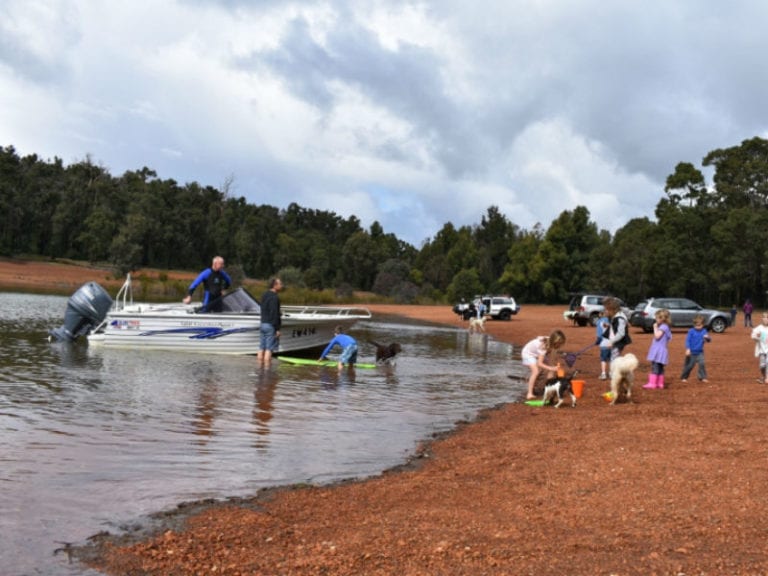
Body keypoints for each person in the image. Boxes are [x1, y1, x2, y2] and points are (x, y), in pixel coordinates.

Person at [521, 329, 566, 400]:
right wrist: (551, 368)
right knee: (535, 371)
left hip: (536, 354)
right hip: (528, 354)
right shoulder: (544, 346)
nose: (560, 346)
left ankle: (548, 388)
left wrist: (552, 369)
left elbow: (550, 360)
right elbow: (540, 363)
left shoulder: (550, 342)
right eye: (559, 344)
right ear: (555, 341)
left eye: (561, 344)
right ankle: (529, 393)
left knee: (551, 367)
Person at [643, 308, 672, 390]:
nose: (655, 320)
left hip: (658, 351)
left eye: (656, 318)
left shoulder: (663, 327)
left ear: (661, 319)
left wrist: (655, 328)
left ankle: (652, 383)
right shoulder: (666, 327)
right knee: (660, 368)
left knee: (655, 367)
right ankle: (660, 383)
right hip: (661, 350)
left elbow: (657, 336)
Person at [257, 278, 283, 367]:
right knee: (269, 349)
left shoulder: (264, 295)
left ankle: (259, 368)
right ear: (275, 285)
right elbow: (274, 313)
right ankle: (267, 371)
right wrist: (277, 329)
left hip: (263, 323)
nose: (281, 285)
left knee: (261, 347)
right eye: (280, 284)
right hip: (270, 326)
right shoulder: (275, 297)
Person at [681, 314, 711, 383]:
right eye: (696, 325)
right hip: (691, 352)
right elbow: (687, 340)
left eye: (699, 325)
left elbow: (709, 340)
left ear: (703, 324)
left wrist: (707, 338)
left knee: (702, 364)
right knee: (689, 366)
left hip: (700, 352)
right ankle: (684, 377)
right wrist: (688, 349)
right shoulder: (691, 331)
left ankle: (702, 377)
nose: (697, 327)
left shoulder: (704, 331)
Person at [601, 297, 631, 362]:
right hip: (615, 341)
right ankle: (615, 370)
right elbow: (616, 326)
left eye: (606, 309)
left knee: (614, 359)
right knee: (613, 358)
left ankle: (615, 371)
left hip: (618, 342)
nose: (605, 311)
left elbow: (621, 333)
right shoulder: (615, 317)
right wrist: (609, 325)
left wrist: (612, 342)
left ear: (612, 309)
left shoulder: (619, 318)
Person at [751, 312, 768, 384]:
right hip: (761, 350)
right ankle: (763, 376)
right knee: (762, 366)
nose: (766, 319)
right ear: (762, 319)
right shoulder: (758, 328)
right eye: (764, 317)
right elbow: (753, 336)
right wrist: (757, 336)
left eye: (767, 318)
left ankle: (767, 377)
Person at [595, 313, 611, 380]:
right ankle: (611, 374)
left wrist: (598, 341)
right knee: (611, 359)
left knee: (603, 359)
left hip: (604, 344)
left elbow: (599, 335)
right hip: (612, 343)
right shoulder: (611, 321)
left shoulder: (599, 322)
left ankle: (603, 374)